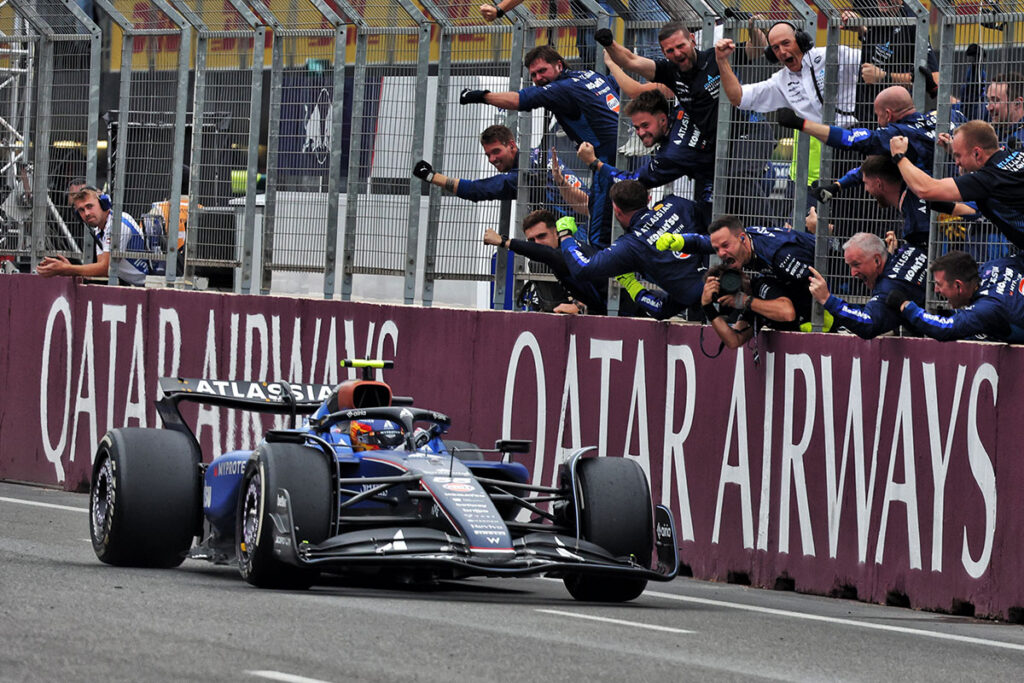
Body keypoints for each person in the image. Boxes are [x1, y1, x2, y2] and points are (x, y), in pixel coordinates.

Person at [459, 45, 620, 246]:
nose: (538, 78)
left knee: (599, 237)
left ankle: (603, 273)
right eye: (533, 75)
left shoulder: (561, 89)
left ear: (559, 65)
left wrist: (480, 96)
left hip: (607, 162)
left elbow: (519, 99)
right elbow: (618, 85)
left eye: (542, 71)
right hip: (625, 156)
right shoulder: (589, 75)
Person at [559, 180, 706, 320]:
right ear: (649, 199)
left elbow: (582, 268)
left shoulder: (630, 245)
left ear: (616, 210)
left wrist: (565, 236)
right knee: (663, 308)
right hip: (718, 277)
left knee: (662, 307)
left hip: (702, 295)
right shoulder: (676, 203)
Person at [577, 90, 713, 226]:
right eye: (637, 127)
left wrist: (595, 163)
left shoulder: (671, 155)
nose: (641, 133)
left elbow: (632, 181)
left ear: (663, 119)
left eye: (645, 125)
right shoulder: (682, 110)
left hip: (723, 183)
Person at [657, 215, 818, 325]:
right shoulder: (742, 242)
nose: (720, 254)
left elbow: (817, 284)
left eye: (725, 247)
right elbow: (705, 243)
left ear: (741, 238)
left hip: (831, 268)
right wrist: (680, 241)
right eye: (717, 249)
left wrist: (747, 300)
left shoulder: (779, 256)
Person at [889, 121, 1024, 250]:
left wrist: (899, 156)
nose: (957, 163)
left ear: (977, 153)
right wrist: (956, 151)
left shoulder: (986, 180)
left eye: (958, 156)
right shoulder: (1017, 153)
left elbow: (925, 189)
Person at [596, 22, 721, 149]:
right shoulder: (670, 71)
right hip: (709, 145)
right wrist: (610, 44)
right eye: (670, 50)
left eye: (681, 46)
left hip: (735, 135)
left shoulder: (716, 57)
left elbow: (636, 90)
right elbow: (631, 61)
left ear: (692, 40)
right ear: (663, 52)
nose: (677, 53)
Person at [411, 125, 585, 211]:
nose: (492, 159)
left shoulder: (522, 175)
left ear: (511, 145)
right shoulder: (536, 154)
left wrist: (432, 177)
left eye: (496, 152)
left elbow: (475, 190)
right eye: (488, 155)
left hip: (579, 230)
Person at [483, 210, 605, 315]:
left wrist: (504, 241)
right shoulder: (564, 250)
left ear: (556, 234)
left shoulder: (567, 250)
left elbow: (547, 254)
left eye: (542, 236)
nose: (537, 243)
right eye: (531, 240)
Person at [806, 232, 926, 338]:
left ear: (877, 260)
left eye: (856, 265)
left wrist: (828, 299)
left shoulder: (888, 288)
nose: (853, 273)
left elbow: (867, 324)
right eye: (850, 266)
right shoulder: (908, 249)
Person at [889, 250, 1024, 343]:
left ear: (958, 286)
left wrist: (905, 306)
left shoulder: (986, 308)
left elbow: (945, 329)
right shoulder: (996, 266)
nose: (936, 290)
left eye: (939, 284)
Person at [37, 186, 150, 286]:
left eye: (90, 206)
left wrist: (68, 269)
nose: (86, 213)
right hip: (135, 285)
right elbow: (100, 267)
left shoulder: (118, 224)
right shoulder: (99, 229)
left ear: (103, 204)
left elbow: (106, 269)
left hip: (150, 283)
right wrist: (70, 269)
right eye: (81, 210)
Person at [702, 264, 810, 350]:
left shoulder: (762, 285)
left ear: (743, 274)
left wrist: (746, 301)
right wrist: (708, 308)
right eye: (725, 287)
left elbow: (787, 313)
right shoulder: (751, 305)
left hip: (817, 328)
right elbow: (734, 341)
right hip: (804, 344)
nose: (732, 287)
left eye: (732, 280)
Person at [985, 71, 1024, 148]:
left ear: (1017, 103)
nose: (989, 107)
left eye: (995, 100)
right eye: (988, 100)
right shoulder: (991, 133)